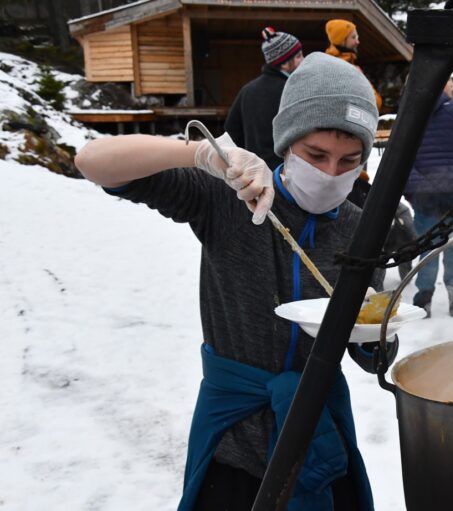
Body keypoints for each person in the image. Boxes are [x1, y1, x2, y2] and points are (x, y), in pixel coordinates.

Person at [75, 52, 387, 511]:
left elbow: (371, 352)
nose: (330, 173)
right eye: (316, 155)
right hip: (232, 439)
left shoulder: (364, 228)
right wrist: (200, 154)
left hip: (316, 435)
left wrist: (374, 335)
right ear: (285, 144)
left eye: (350, 161)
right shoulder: (230, 197)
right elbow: (92, 161)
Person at [404, 79, 453, 318]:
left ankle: (423, 300)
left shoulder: (410, 115)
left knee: (427, 251)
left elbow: (403, 159)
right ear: (446, 88)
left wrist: (414, 191)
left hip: (426, 198)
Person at [224, 27, 303, 170]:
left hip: (255, 172)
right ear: (284, 63)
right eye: (298, 56)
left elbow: (231, 131)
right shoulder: (291, 90)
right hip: (285, 174)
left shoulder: (246, 90)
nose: (302, 61)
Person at [325, 19, 382, 111]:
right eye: (353, 37)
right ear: (342, 41)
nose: (357, 42)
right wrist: (361, 78)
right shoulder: (342, 69)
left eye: (357, 37)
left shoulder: (337, 62)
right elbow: (374, 104)